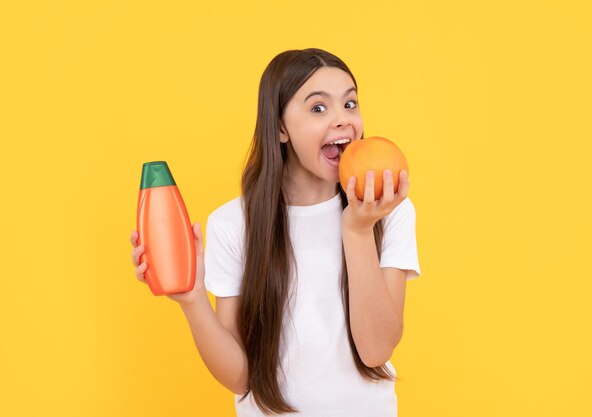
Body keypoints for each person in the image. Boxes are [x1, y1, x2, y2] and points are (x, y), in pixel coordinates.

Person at [130, 48, 421, 417]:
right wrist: (193, 300)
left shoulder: (388, 211)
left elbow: (377, 349)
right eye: (318, 108)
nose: (343, 120)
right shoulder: (234, 224)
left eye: (350, 104)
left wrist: (358, 231)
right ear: (281, 127)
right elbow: (241, 377)